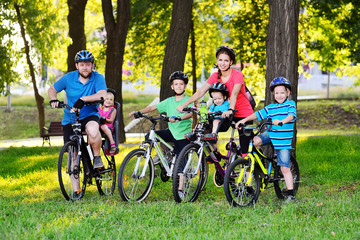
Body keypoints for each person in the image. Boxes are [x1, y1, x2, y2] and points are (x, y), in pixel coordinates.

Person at [177, 46, 254, 155]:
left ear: (231, 62)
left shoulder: (237, 75)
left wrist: (231, 109)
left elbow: (234, 94)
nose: (223, 63)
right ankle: (215, 154)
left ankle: (249, 170)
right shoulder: (215, 76)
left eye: (226, 60)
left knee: (245, 148)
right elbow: (200, 92)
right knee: (206, 131)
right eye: (220, 60)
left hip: (242, 112)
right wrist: (183, 105)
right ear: (217, 61)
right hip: (223, 112)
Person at [235, 76, 297, 202]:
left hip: (283, 140)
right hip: (271, 134)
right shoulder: (271, 107)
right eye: (277, 93)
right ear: (274, 94)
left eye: (282, 92)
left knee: (284, 167)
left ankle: (291, 194)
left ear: (288, 93)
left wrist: (281, 121)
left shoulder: (291, 104)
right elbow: (258, 114)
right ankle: (258, 166)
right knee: (254, 142)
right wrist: (244, 120)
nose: (279, 95)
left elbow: (291, 116)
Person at [48, 50, 107, 173]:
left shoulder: (98, 77)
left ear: (92, 65)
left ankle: (97, 157)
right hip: (70, 118)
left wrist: (83, 99)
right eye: (82, 64)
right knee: (72, 156)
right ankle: (76, 191)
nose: (85, 67)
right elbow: (52, 89)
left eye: (87, 64)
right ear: (77, 65)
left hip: (90, 115)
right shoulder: (69, 78)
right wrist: (54, 99)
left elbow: (102, 94)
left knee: (93, 131)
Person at [129, 71, 193, 160]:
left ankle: (181, 173)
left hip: (183, 135)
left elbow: (190, 114)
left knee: (180, 168)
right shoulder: (169, 101)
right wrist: (139, 112)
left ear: (185, 86)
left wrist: (179, 118)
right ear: (172, 87)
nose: (178, 86)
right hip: (171, 132)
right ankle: (161, 154)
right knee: (150, 137)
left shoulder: (188, 100)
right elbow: (152, 108)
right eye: (176, 84)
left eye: (181, 84)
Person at [98, 88, 118, 156]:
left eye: (111, 100)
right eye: (107, 99)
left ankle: (112, 143)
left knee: (103, 126)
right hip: (98, 126)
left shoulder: (113, 110)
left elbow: (111, 120)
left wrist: (104, 119)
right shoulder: (99, 108)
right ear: (103, 100)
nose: (109, 101)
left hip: (108, 127)